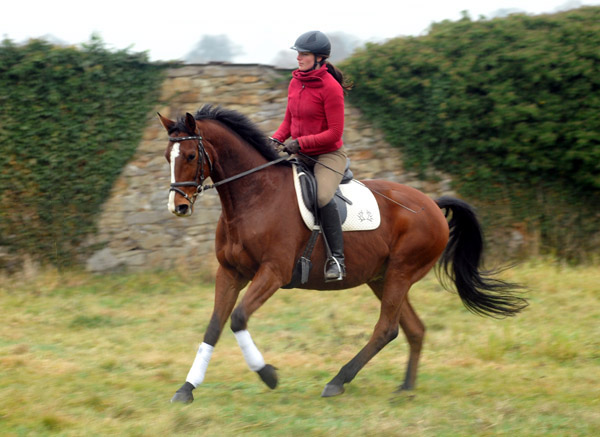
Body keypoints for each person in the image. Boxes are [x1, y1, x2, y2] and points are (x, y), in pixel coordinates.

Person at [268, 30, 352, 282]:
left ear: (319, 58)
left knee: (322, 196)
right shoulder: (296, 82)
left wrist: (300, 142)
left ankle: (337, 258)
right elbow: (288, 121)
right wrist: (275, 139)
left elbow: (335, 133)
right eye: (298, 53)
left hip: (328, 155)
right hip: (302, 154)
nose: (299, 58)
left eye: (303, 54)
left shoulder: (331, 88)